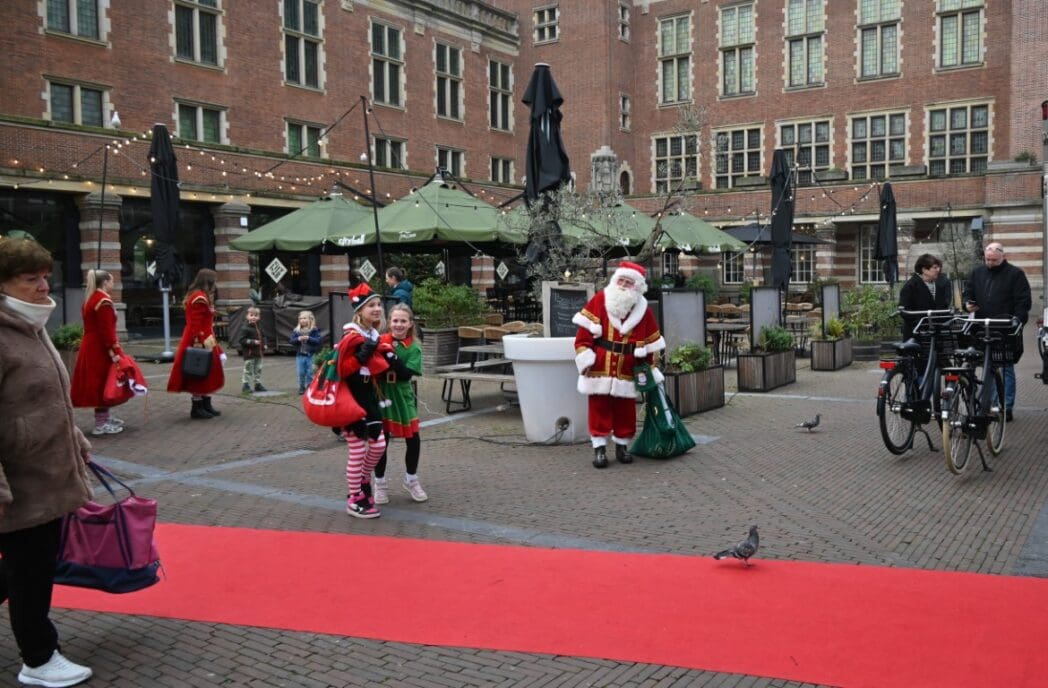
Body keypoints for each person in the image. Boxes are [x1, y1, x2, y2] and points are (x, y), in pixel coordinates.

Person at [0, 237, 95, 687]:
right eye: (30, 279)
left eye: (44, 277)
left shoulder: (31, 325)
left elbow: (47, 399)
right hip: (20, 482)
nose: (43, 286)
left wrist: (74, 437)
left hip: (45, 473)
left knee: (23, 567)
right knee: (31, 572)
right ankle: (38, 658)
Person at [573, 261, 665, 468]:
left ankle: (622, 446)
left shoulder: (643, 310)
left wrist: (650, 369)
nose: (623, 285)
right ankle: (599, 449)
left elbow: (651, 344)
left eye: (628, 282)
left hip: (628, 368)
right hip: (600, 367)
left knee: (625, 410)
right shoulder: (600, 299)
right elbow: (583, 335)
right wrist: (585, 356)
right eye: (621, 280)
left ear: (637, 287)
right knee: (598, 407)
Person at [962, 241, 1032, 422]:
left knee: (1006, 367)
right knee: (987, 366)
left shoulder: (1015, 274)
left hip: (1004, 328)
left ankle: (1006, 406)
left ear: (1003, 257)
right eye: (987, 259)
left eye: (994, 260)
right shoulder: (977, 272)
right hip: (982, 327)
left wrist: (1017, 320)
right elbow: (968, 292)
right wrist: (967, 304)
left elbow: (1023, 301)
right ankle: (989, 404)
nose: (990, 263)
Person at [338, 291, 392, 518]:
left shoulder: (372, 334)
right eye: (371, 305)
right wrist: (362, 355)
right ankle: (354, 498)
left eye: (379, 304)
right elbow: (343, 370)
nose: (377, 309)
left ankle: (362, 480)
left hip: (369, 396)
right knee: (358, 450)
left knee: (379, 445)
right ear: (360, 311)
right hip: (351, 397)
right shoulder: (351, 336)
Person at [375, 303, 426, 504]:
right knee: (381, 441)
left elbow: (406, 374)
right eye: (395, 320)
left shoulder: (414, 347)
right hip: (381, 394)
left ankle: (411, 479)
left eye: (403, 321)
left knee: (413, 438)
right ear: (389, 322)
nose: (399, 324)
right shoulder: (379, 341)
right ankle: (379, 483)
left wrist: (391, 356)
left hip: (402, 394)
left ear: (410, 323)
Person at [70, 269, 126, 436]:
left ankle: (104, 417)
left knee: (99, 381)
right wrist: (115, 350)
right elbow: (106, 331)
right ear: (105, 282)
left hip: (91, 345)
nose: (113, 283)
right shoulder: (104, 302)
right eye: (111, 281)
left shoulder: (91, 299)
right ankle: (101, 423)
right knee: (103, 382)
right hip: (100, 348)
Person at [167, 268, 226, 419]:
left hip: (206, 338)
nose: (216, 285)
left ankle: (205, 403)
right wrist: (199, 343)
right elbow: (196, 324)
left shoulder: (200, 295)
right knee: (198, 372)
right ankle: (197, 406)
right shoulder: (199, 297)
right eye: (214, 281)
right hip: (199, 340)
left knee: (209, 371)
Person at [898, 253, 953, 341]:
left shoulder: (939, 285)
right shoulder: (910, 286)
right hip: (916, 335)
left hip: (936, 335)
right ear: (924, 269)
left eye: (938, 267)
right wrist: (922, 324)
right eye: (935, 267)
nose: (938, 270)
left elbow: (943, 307)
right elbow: (905, 311)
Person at [290, 310, 322, 395]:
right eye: (300, 318)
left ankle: (310, 387)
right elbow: (291, 341)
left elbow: (318, 341)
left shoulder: (314, 330)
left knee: (310, 372)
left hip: (311, 355)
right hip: (300, 355)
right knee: (301, 372)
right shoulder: (296, 330)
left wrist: (309, 338)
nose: (302, 320)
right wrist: (298, 339)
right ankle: (301, 387)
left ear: (310, 319)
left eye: (304, 318)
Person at [238, 306, 267, 394]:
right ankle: (245, 385)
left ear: (259, 317)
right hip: (249, 354)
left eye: (256, 315)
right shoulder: (245, 328)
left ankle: (257, 384)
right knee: (248, 370)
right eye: (251, 315)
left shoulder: (259, 327)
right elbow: (241, 340)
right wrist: (253, 342)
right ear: (247, 316)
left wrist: (265, 344)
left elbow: (264, 336)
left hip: (259, 353)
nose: (254, 317)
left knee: (258, 369)